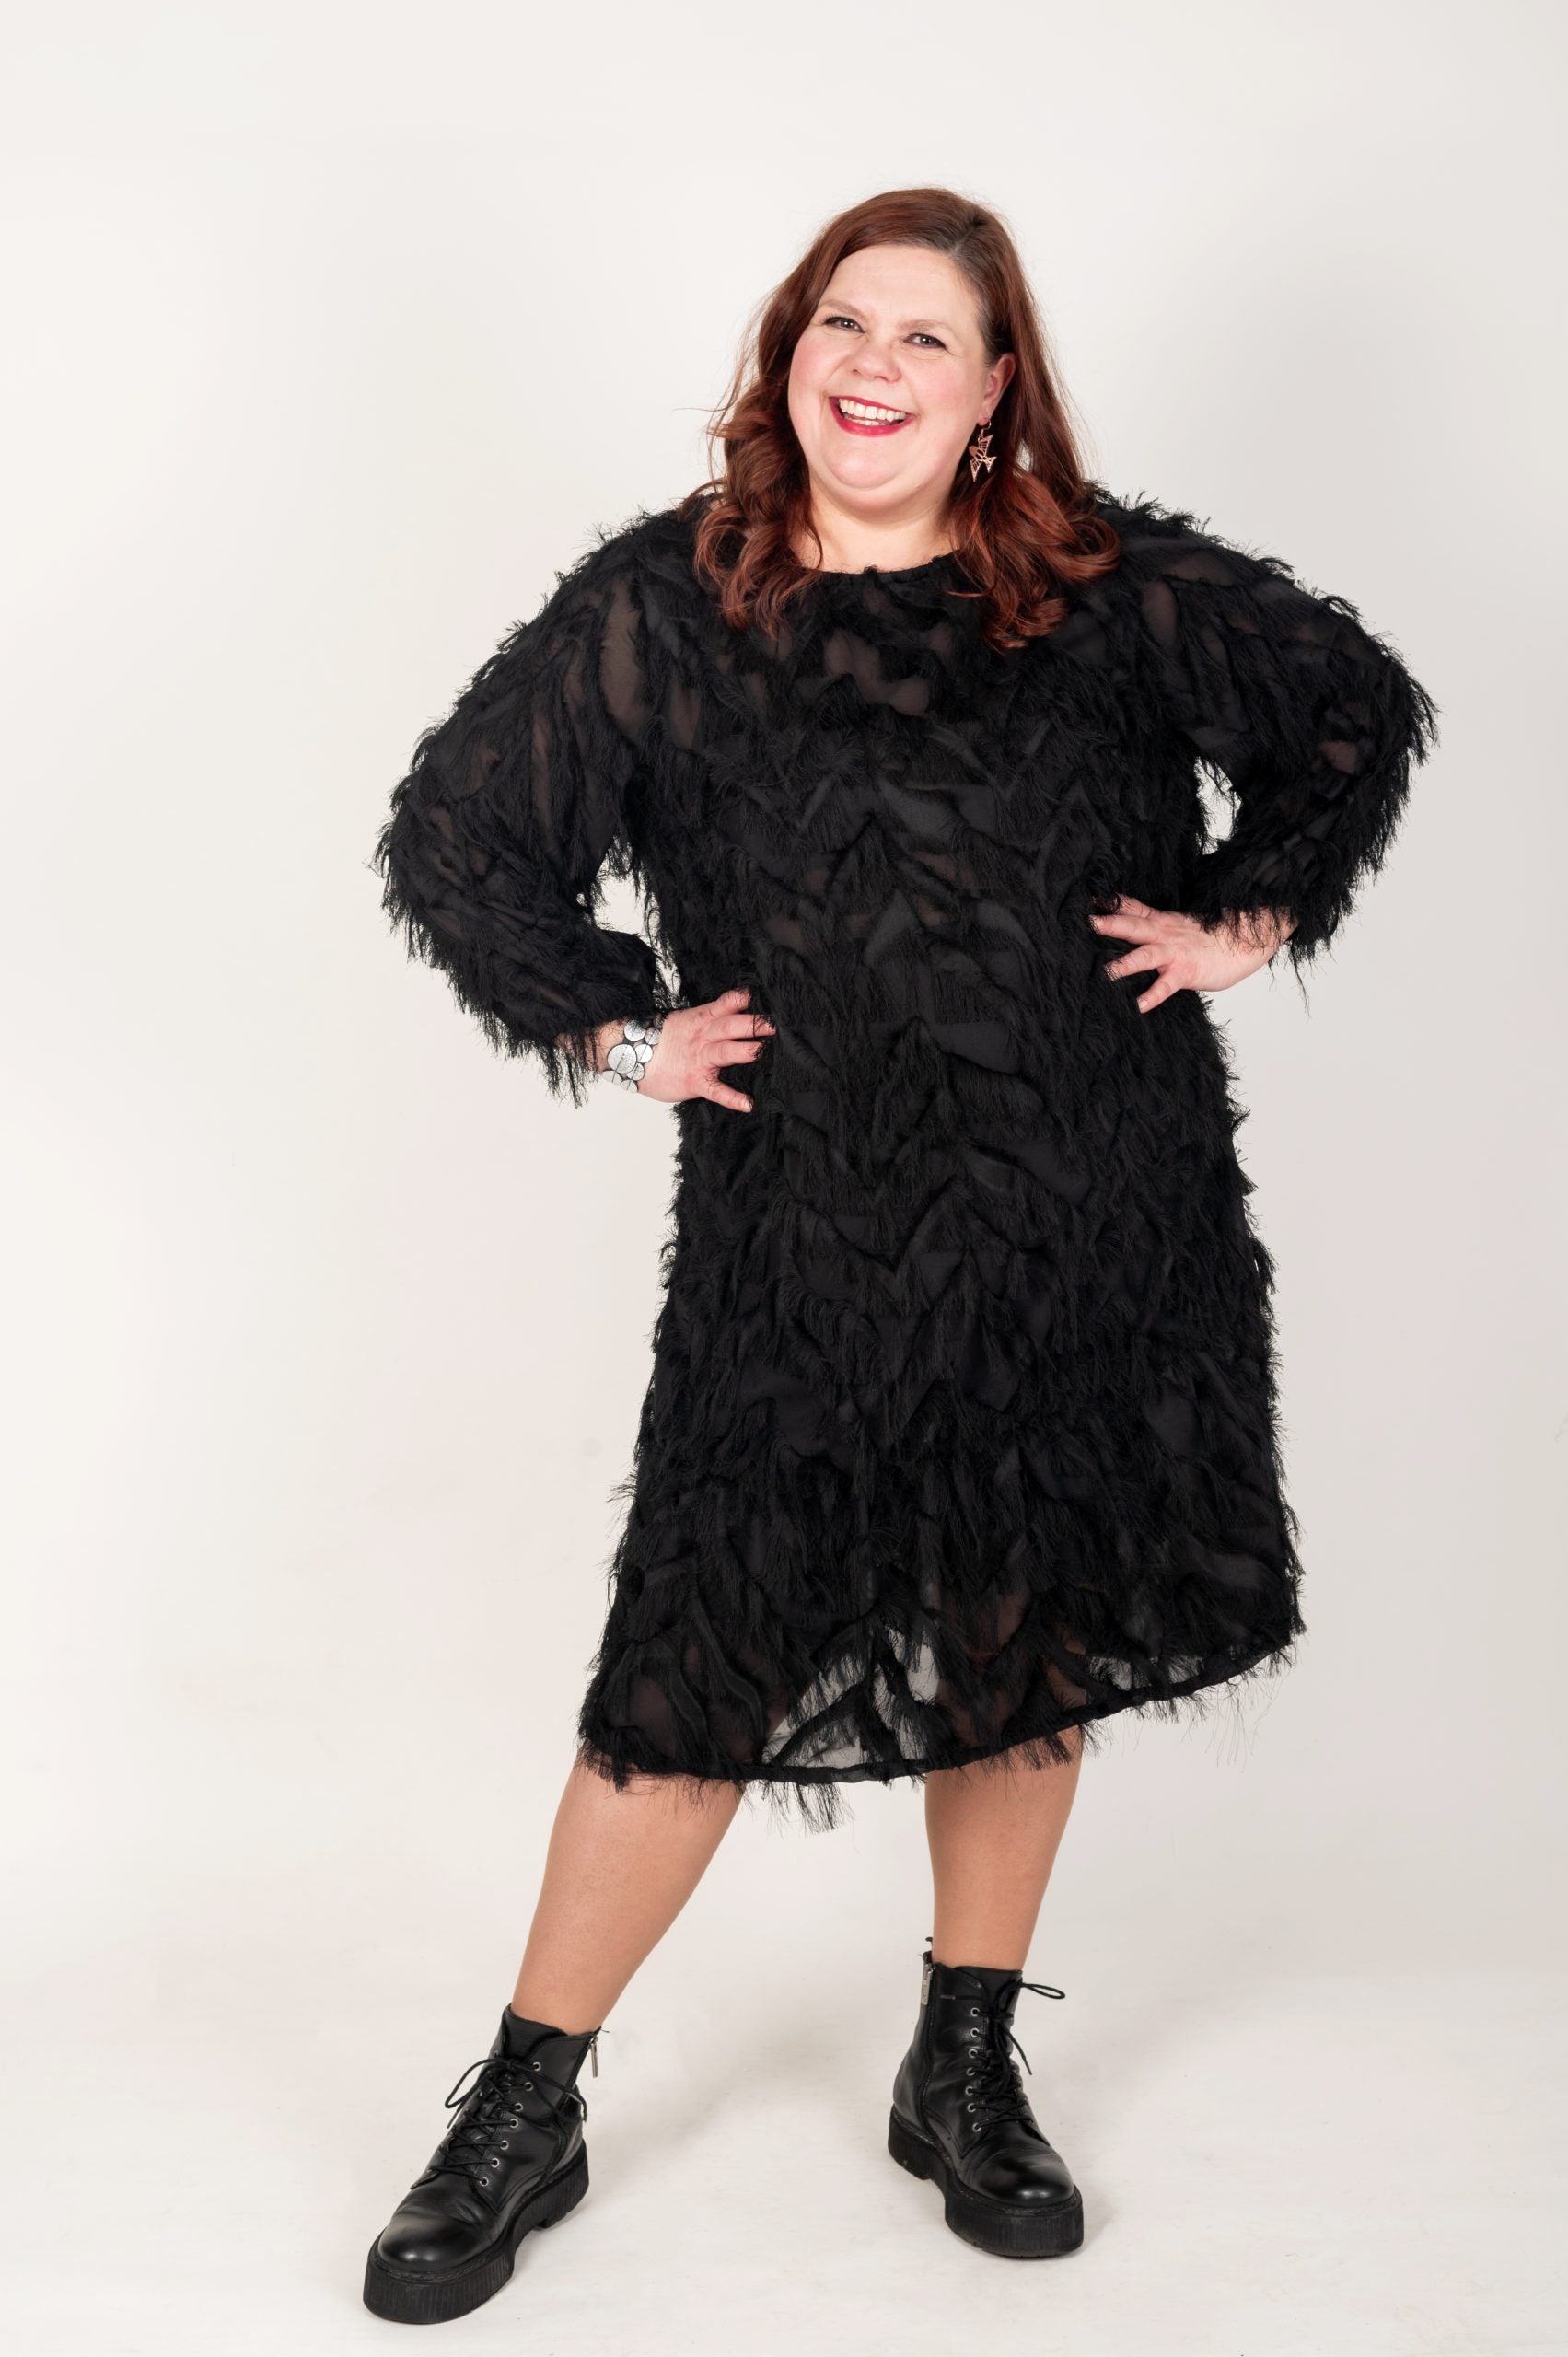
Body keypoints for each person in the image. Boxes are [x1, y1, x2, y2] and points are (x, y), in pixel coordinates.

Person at [361, 185, 1438, 2320]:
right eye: (842, 323)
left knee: (1028, 1641)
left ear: (994, 388)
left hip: (1094, 1215)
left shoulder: (1103, 592)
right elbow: (461, 839)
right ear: (788, 353)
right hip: (808, 1241)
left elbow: (1351, 709)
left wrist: (1253, 913)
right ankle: (527, 2098)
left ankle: (962, 2061)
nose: (874, 366)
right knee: (691, 1674)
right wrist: (621, 1030)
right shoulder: (668, 605)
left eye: (927, 337)